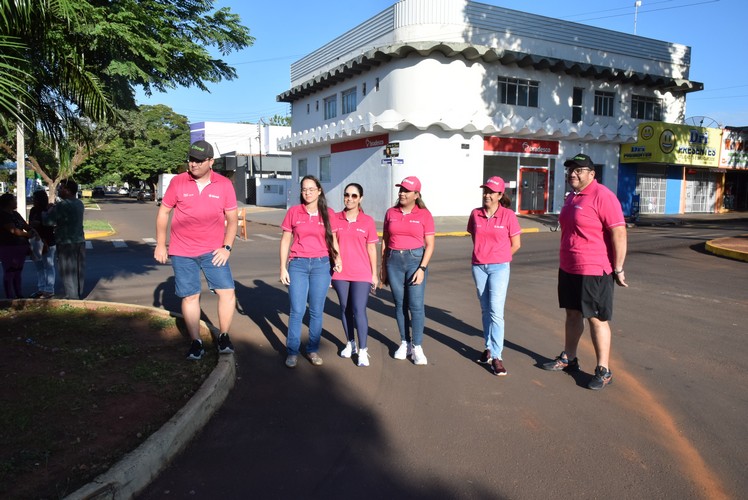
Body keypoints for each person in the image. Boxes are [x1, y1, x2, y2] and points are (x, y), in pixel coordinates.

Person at [542, 153, 628, 390]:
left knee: (596, 319)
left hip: (594, 268)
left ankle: (604, 369)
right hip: (569, 266)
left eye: (579, 170)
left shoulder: (603, 196)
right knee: (572, 314)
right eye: (570, 169)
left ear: (592, 174)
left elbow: (618, 233)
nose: (573, 173)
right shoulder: (572, 197)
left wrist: (618, 268)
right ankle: (569, 358)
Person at [155, 140, 238, 360]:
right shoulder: (178, 182)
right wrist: (161, 244)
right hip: (182, 251)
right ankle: (196, 342)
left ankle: (223, 336)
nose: (193, 164)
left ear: (211, 162)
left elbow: (232, 219)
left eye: (199, 160)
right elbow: (164, 212)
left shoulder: (223, 185)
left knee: (227, 293)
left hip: (213, 251)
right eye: (191, 159)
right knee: (190, 296)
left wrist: (227, 247)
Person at [279, 175, 342, 368]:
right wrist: (282, 267)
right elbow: (285, 241)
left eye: (311, 189)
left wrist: (337, 258)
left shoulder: (328, 213)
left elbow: (334, 239)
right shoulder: (294, 212)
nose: (307, 192)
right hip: (297, 264)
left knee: (316, 311)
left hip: (321, 265)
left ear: (319, 191)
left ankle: (313, 349)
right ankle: (292, 351)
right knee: (297, 310)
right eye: (304, 189)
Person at [467, 176, 522, 376]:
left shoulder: (508, 216)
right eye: (485, 191)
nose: (487, 195)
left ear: (500, 195)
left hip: (499, 267)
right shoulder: (475, 214)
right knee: (485, 309)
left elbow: (516, 244)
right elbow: (475, 237)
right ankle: (488, 346)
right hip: (479, 267)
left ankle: (497, 356)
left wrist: (500, 257)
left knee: (496, 312)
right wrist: (484, 254)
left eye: (491, 192)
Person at [381, 176, 435, 365]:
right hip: (394, 260)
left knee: (416, 305)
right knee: (399, 304)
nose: (402, 193)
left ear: (416, 194)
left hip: (415, 260)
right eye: (401, 189)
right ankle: (405, 342)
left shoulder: (424, 215)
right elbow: (385, 240)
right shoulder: (391, 213)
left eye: (406, 190)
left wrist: (422, 268)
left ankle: (417, 346)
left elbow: (429, 245)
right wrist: (383, 267)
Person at [330, 183, 379, 367]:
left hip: (362, 272)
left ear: (360, 199)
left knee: (359, 309)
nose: (349, 198)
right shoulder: (335, 218)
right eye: (346, 195)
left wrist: (374, 274)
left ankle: (363, 350)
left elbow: (372, 248)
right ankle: (350, 343)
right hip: (341, 272)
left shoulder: (367, 221)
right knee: (345, 308)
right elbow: (330, 244)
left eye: (354, 196)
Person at [43, 180, 85, 299]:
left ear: (67, 190)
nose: (59, 190)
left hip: (66, 241)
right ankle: (78, 293)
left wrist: (47, 211)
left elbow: (48, 221)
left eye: (61, 188)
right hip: (79, 240)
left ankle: (72, 297)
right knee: (78, 270)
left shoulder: (62, 205)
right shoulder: (79, 203)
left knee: (67, 271)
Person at [0, 193, 34, 298]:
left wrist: (34, 232)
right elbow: (13, 230)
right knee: (9, 271)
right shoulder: (2, 215)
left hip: (21, 246)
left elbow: (25, 225)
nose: (16, 202)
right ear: (8, 202)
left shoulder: (15, 214)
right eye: (14, 200)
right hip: (8, 246)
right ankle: (10, 297)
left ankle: (19, 295)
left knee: (18, 271)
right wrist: (27, 234)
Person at [29, 190, 56, 298]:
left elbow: (49, 225)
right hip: (36, 241)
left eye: (35, 199)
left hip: (48, 241)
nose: (33, 200)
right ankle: (41, 288)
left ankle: (49, 289)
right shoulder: (33, 210)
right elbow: (31, 224)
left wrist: (38, 224)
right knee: (39, 266)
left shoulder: (48, 210)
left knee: (49, 265)